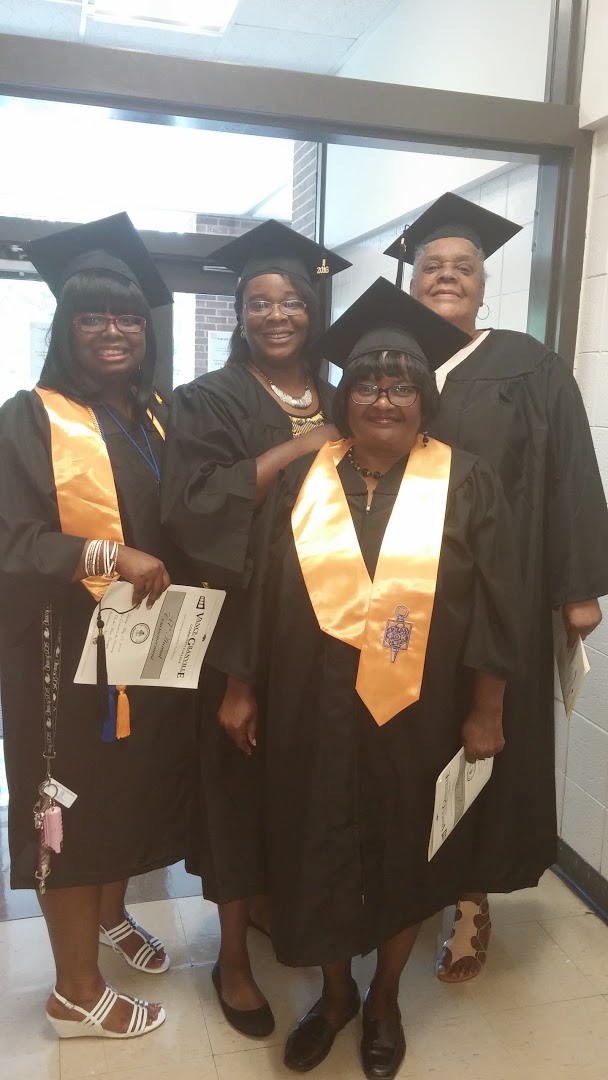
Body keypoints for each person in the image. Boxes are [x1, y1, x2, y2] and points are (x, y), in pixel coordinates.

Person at [235, 278, 521, 1078]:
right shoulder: (306, 479)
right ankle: (335, 998)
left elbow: (498, 602)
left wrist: (487, 709)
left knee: (404, 849)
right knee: (313, 846)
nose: (383, 400)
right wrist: (241, 684)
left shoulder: (465, 479)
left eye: (400, 387)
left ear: (424, 399)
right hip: (307, 702)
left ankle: (385, 999)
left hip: (418, 706)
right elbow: (257, 588)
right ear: (346, 397)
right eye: (367, 385)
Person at [385, 190, 608, 982]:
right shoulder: (389, 365)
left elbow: (571, 470)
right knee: (405, 743)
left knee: (483, 743)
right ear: (413, 281)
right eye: (432, 266)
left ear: (483, 284)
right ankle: (405, 882)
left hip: (500, 597)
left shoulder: (528, 364)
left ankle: (471, 899)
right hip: (402, 598)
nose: (447, 276)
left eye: (464, 267)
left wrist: (579, 588)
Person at [0, 213, 196, 1038]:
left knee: (126, 793)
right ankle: (75, 991)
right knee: (73, 811)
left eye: (128, 318)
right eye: (93, 317)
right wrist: (109, 556)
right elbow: (13, 539)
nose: (114, 331)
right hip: (63, 655)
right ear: (66, 328)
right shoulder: (30, 416)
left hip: (146, 645)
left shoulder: (156, 417)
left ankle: (110, 919)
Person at [161, 220, 350, 1036]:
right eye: (259, 302)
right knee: (235, 792)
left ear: (313, 309)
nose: (277, 315)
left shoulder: (346, 392)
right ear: (239, 314)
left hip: (329, 630)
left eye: (292, 301)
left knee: (310, 782)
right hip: (238, 627)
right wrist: (294, 452)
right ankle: (232, 958)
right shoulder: (207, 399)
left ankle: (288, 912)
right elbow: (193, 509)